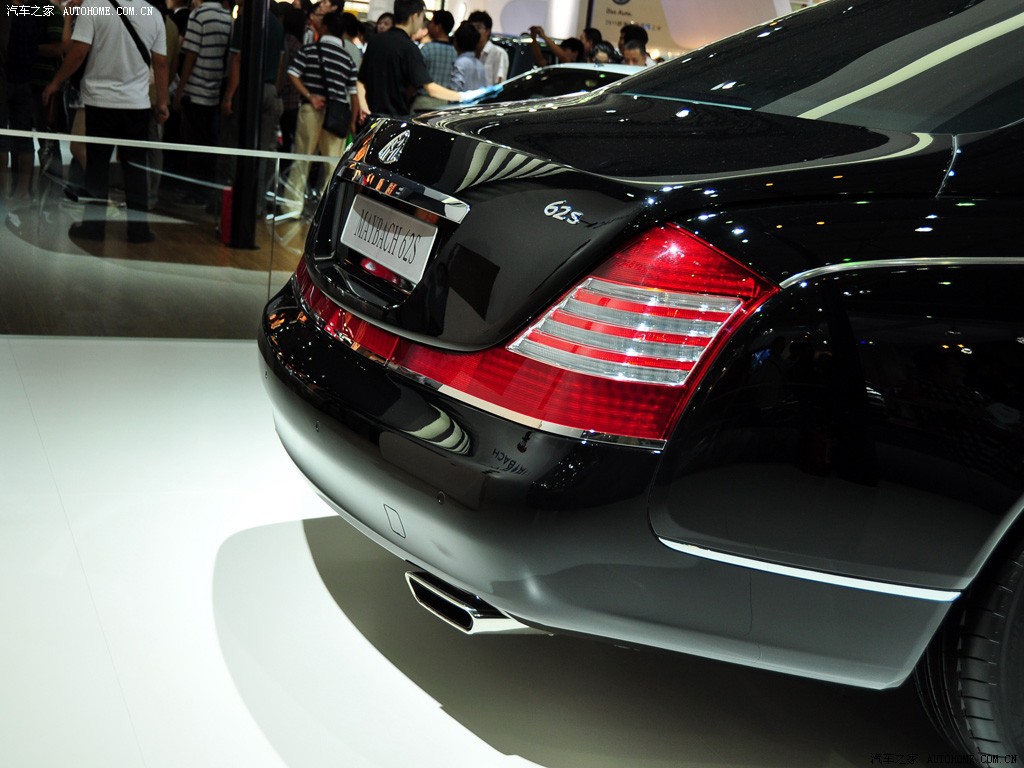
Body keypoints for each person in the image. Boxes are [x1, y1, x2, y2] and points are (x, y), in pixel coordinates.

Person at [42, 0, 169, 243]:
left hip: (100, 102)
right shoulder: (152, 13)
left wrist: (56, 82)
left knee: (97, 167)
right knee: (135, 168)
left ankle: (94, 228)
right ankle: (138, 230)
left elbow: (78, 52)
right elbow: (160, 63)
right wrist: (162, 102)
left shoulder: (94, 7)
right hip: (137, 104)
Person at [356, 0, 484, 122]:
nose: (423, 23)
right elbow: (430, 88)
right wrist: (463, 96)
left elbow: (361, 80)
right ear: (415, 16)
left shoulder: (375, 41)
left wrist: (363, 106)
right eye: (422, 17)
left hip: (371, 117)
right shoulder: (409, 48)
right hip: (393, 118)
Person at [282, 10, 356, 214]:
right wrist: (352, 121)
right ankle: (326, 212)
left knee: (302, 159)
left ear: (325, 28)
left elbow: (293, 74)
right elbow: (353, 93)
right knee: (332, 164)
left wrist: (310, 95)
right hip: (337, 116)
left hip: (311, 110)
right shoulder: (347, 59)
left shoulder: (310, 50)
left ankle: (292, 207)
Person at [174, 0, 232, 198]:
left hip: (195, 89)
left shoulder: (199, 15)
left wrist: (180, 89)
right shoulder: (227, 18)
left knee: (192, 142)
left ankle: (193, 191)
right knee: (207, 143)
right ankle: (205, 190)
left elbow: (191, 55)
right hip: (214, 89)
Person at [467, 10, 507, 85]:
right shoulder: (468, 52)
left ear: (487, 31)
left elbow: (499, 84)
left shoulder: (498, 53)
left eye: (478, 28)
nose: (474, 32)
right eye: (472, 28)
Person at [420, 10, 455, 89]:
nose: (429, 26)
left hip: (426, 94)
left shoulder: (427, 49)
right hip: (448, 95)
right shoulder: (455, 52)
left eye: (431, 23)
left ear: (438, 27)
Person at [450, 22, 486, 92]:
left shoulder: (459, 63)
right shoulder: (480, 65)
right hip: (478, 99)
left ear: (456, 41)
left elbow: (455, 89)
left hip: (462, 98)